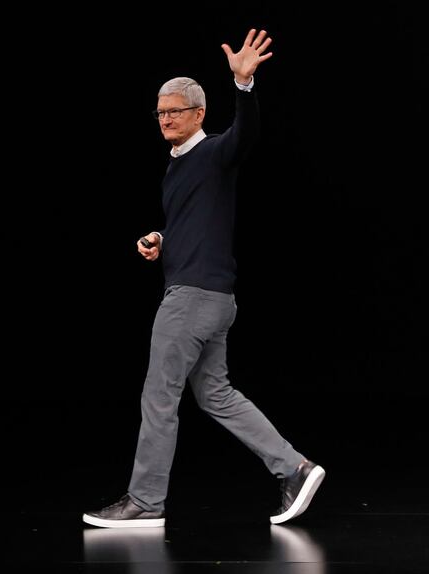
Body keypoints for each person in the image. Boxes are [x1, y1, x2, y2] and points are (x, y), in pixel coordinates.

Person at [82, 28, 325, 528]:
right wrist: (161, 239)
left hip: (191, 300)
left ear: (198, 114)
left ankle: (146, 502)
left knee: (159, 395)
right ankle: (295, 468)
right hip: (212, 298)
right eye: (160, 112)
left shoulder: (213, 152)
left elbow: (246, 135)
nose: (165, 119)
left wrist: (244, 85)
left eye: (175, 111)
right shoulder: (177, 169)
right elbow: (196, 223)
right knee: (215, 394)